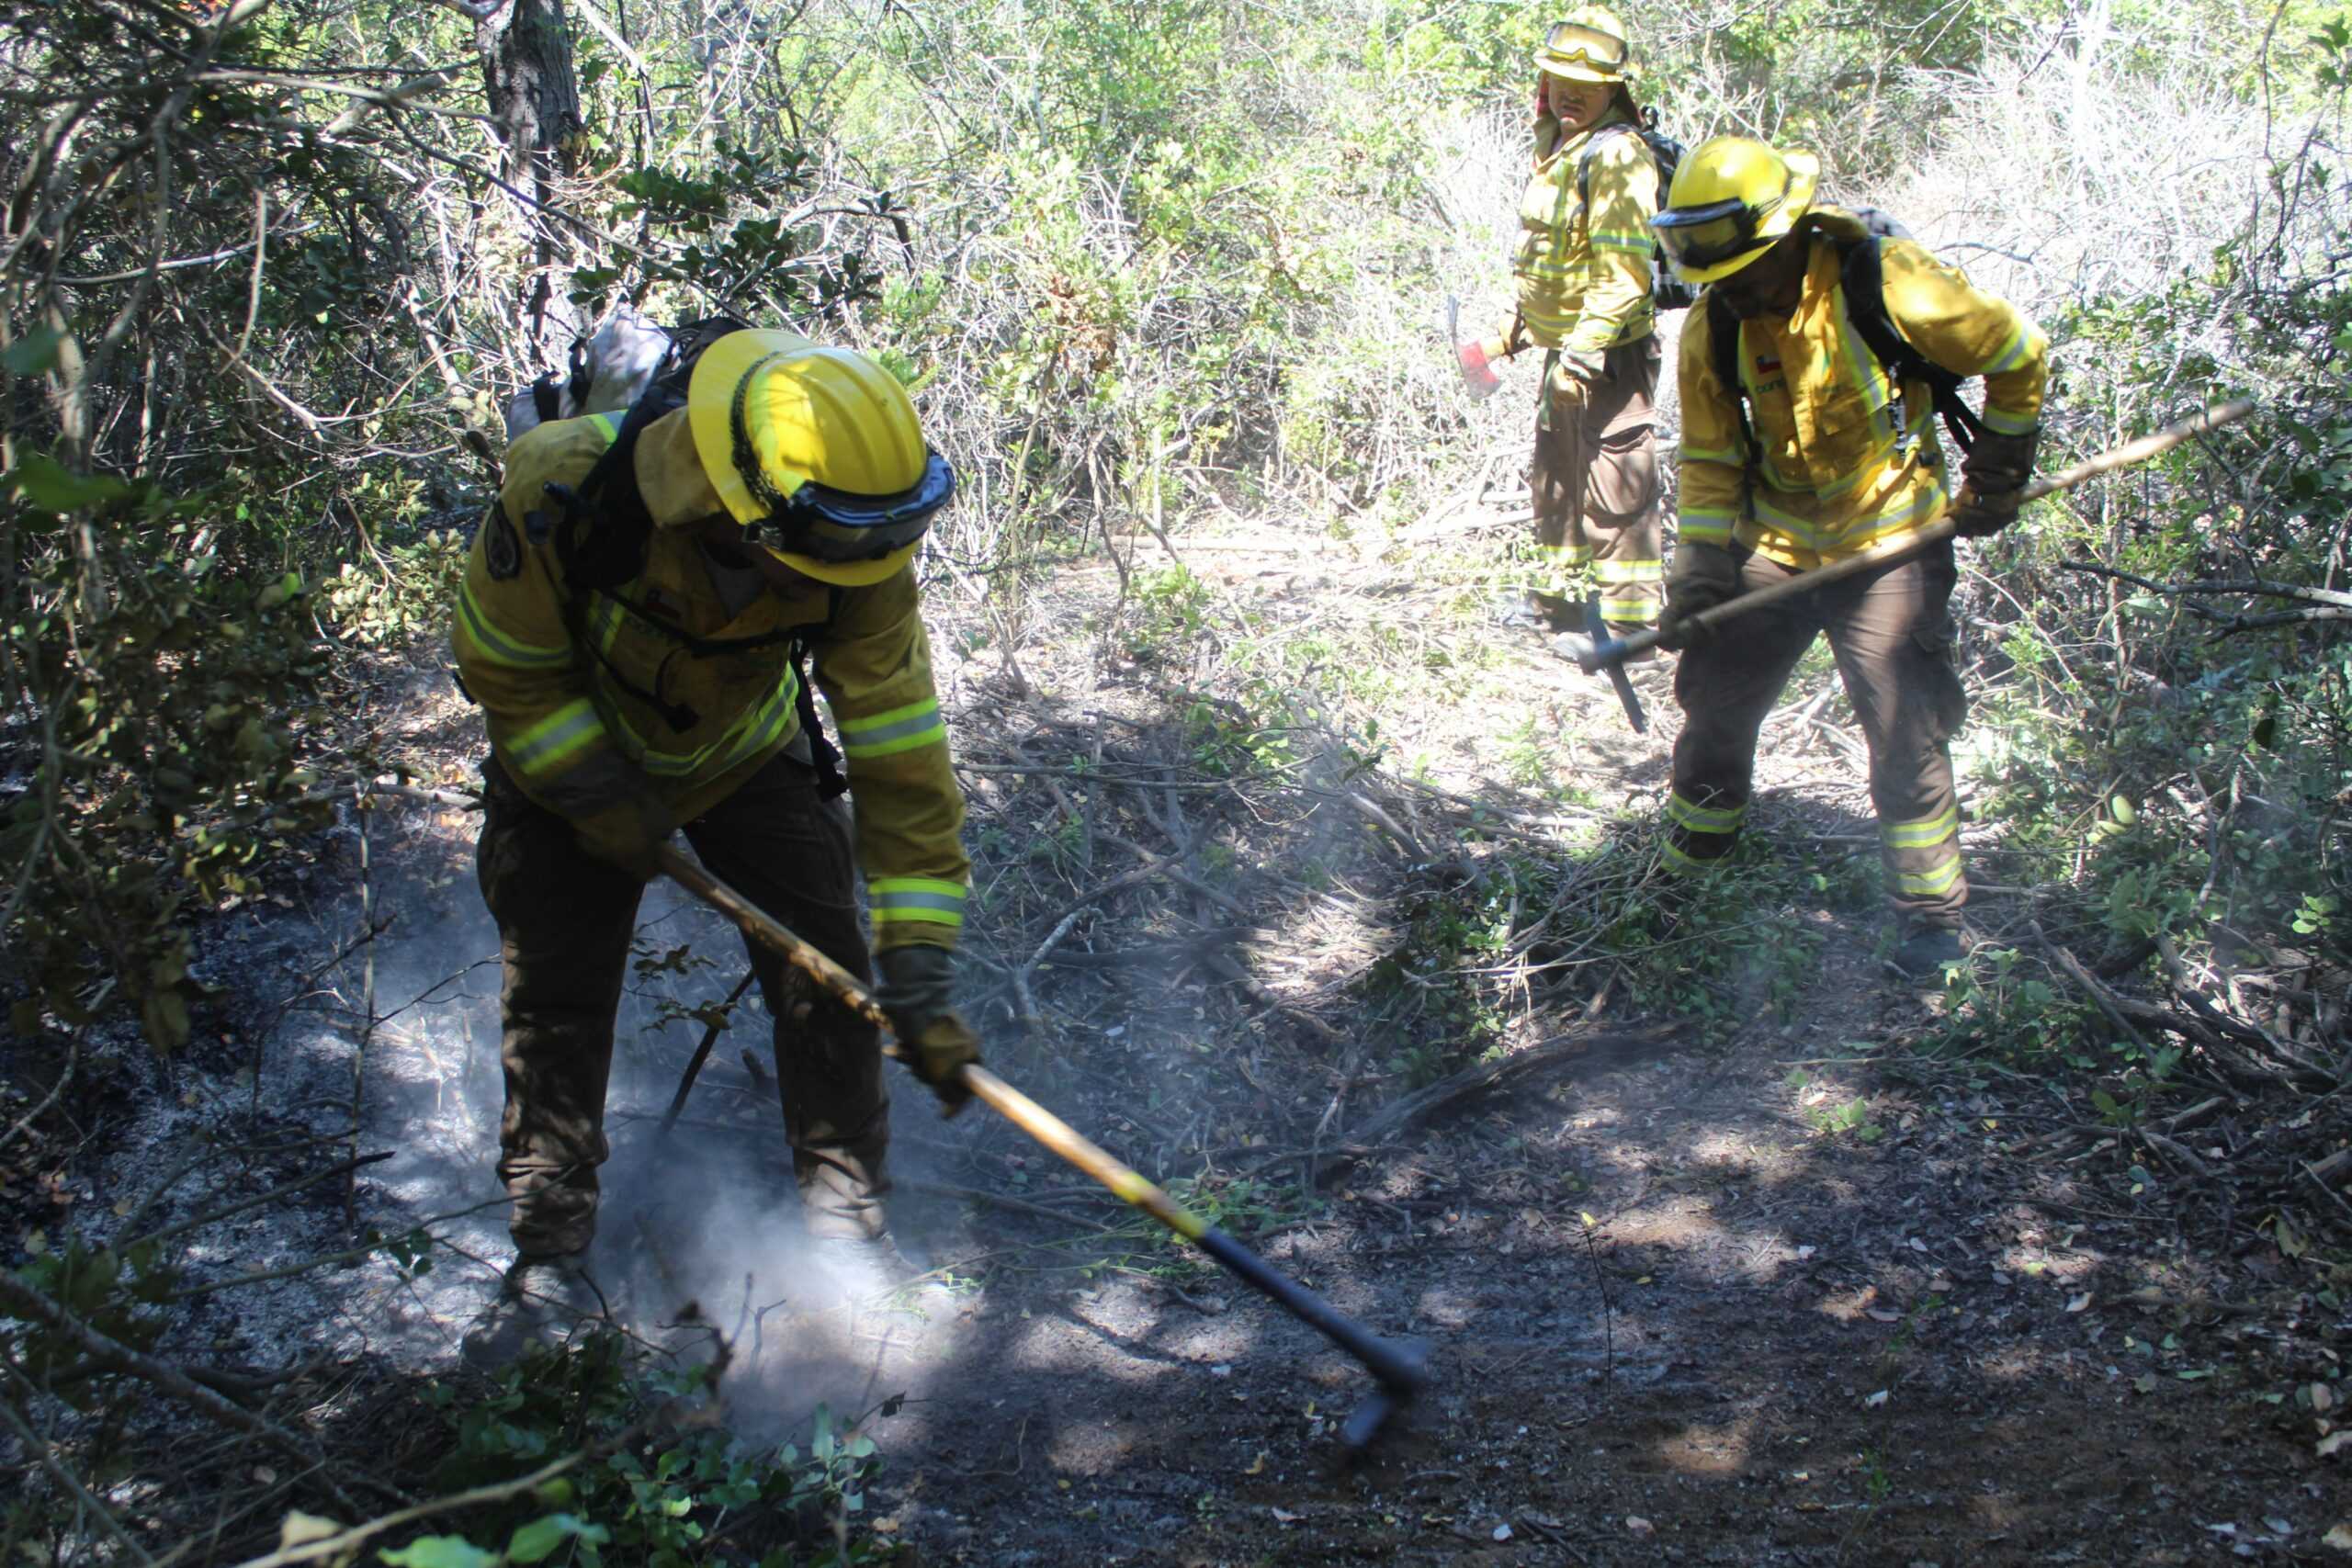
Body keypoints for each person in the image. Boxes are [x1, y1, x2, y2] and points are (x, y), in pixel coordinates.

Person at [451, 327, 981, 1357]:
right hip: (570, 762)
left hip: (743, 750)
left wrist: (920, 963)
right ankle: (551, 1253)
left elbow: (900, 750)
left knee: (830, 979)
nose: (847, 574)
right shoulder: (563, 492)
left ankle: (845, 1234)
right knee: (558, 999)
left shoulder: (858, 543)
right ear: (738, 511)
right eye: (821, 555)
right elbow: (504, 663)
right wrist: (596, 794)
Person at [1647, 136, 2048, 979]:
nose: (1738, 289)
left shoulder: (1886, 280)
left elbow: (2016, 354)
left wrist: (1999, 473)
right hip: (1779, 544)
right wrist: (1699, 570)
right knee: (1715, 709)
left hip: (1894, 539)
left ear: (1794, 233)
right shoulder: (1714, 324)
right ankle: (1686, 881)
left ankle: (1929, 925)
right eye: (1722, 277)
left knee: (1906, 732)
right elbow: (1714, 462)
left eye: (1753, 268)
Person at [1478, 6, 1666, 657]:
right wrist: (1513, 332)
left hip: (1609, 354)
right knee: (1555, 478)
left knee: (1616, 484)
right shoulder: (1560, 148)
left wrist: (1582, 358)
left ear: (1616, 86)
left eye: (1586, 84)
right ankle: (1554, 601)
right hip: (1566, 349)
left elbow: (1622, 274)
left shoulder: (1616, 156)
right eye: (1558, 79)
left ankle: (1630, 626)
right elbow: (1554, 262)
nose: (1569, 93)